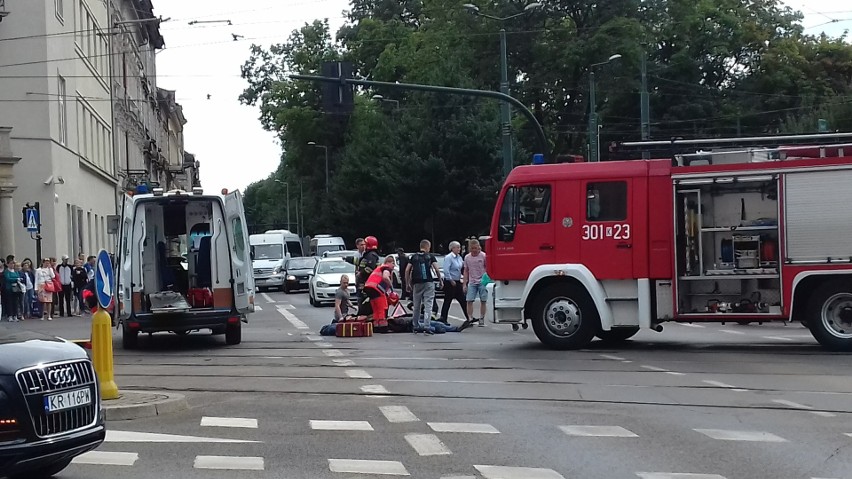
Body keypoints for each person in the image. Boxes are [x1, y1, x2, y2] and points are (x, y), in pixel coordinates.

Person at [406, 239, 443, 334]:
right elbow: (437, 270)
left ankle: (415, 326)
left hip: (417, 283)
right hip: (428, 283)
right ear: (428, 247)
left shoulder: (413, 257)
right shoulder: (430, 256)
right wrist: (440, 281)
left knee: (416, 305)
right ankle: (427, 326)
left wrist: (407, 284)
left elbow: (407, 270)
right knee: (428, 305)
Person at [363, 255, 396, 332]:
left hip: (368, 288)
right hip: (376, 288)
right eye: (393, 263)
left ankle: (375, 326)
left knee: (375, 308)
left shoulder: (379, 268)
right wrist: (391, 285)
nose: (394, 265)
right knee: (382, 307)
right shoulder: (386, 268)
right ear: (388, 262)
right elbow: (385, 277)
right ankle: (382, 327)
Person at [439, 241, 468, 325]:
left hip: (458, 281)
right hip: (450, 281)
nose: (459, 249)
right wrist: (450, 280)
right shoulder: (449, 257)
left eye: (460, 247)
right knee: (448, 300)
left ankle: (469, 317)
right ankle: (443, 318)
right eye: (457, 247)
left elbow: (461, 268)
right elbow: (446, 270)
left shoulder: (459, 257)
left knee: (462, 300)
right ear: (452, 248)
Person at [463, 239, 488, 327]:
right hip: (472, 281)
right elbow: (466, 270)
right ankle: (470, 318)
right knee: (469, 300)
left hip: (482, 281)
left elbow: (487, 268)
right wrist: (464, 284)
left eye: (476, 248)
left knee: (483, 300)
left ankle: (482, 318)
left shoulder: (483, 256)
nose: (474, 250)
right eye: (472, 248)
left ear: (479, 247)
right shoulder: (467, 257)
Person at [355, 236, 381, 302]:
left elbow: (370, 268)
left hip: (366, 284)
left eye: (365, 244)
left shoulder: (371, 255)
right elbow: (358, 261)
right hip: (364, 284)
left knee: (364, 305)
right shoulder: (368, 255)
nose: (364, 246)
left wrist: (360, 274)